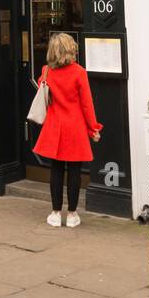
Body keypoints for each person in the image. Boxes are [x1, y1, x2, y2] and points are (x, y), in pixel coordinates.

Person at [32, 31, 101, 228]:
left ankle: (55, 213)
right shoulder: (79, 72)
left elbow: (42, 94)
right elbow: (87, 105)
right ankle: (71, 214)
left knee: (55, 170)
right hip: (75, 127)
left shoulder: (46, 71)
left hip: (54, 126)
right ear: (71, 49)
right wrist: (93, 128)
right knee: (74, 172)